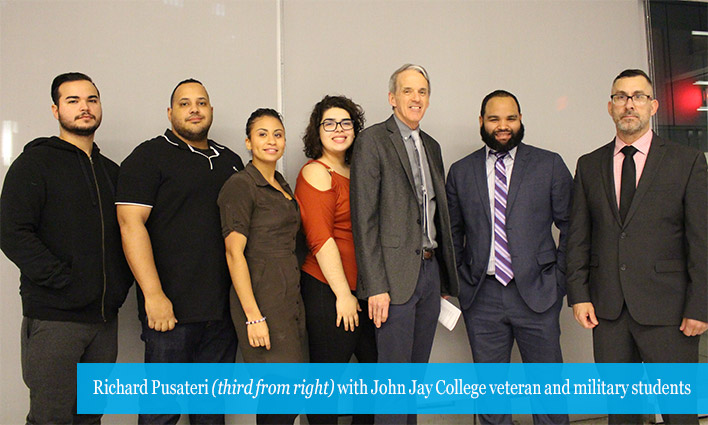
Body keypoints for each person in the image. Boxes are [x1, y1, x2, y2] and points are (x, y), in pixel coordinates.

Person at [567, 69, 707, 425]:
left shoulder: (686, 162)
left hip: (671, 312)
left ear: (653, 106)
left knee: (679, 415)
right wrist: (579, 294)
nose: (629, 104)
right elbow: (579, 236)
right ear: (610, 107)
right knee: (622, 415)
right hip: (609, 312)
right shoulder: (589, 165)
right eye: (621, 96)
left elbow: (701, 240)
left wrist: (701, 305)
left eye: (638, 96)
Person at [0, 72, 133, 424]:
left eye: (91, 99)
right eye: (72, 101)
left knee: (90, 418)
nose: (84, 107)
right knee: (50, 418)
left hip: (104, 320)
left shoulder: (112, 172)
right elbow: (12, 231)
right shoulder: (34, 164)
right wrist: (64, 281)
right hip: (55, 318)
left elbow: (129, 235)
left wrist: (119, 288)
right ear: (56, 110)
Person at [116, 78, 243, 425]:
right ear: (170, 112)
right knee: (161, 414)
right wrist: (153, 295)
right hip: (170, 312)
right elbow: (130, 226)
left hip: (221, 312)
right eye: (185, 103)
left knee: (211, 414)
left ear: (211, 110)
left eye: (201, 102)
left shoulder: (231, 161)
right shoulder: (148, 156)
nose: (194, 109)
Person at [446, 90, 572, 425]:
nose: (503, 126)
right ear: (481, 122)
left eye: (511, 118)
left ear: (520, 120)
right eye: (494, 118)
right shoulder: (461, 172)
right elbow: (452, 231)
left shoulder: (549, 164)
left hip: (538, 293)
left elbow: (573, 226)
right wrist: (461, 276)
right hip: (482, 296)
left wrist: (558, 279)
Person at [350, 64, 459, 425]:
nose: (416, 98)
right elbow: (363, 218)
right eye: (408, 91)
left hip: (429, 275)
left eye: (423, 92)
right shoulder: (373, 140)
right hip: (392, 280)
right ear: (392, 98)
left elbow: (436, 214)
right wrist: (375, 285)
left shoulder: (432, 146)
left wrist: (442, 278)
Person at [218, 108, 305, 425]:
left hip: (289, 298)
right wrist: (254, 317)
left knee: (287, 396)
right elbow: (233, 253)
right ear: (248, 142)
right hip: (261, 300)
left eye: (278, 134)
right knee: (281, 400)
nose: (272, 140)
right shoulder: (241, 185)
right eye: (262, 134)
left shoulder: (281, 184)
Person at [295, 95, 377, 425]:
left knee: (376, 378)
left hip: (366, 290)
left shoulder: (357, 171)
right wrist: (343, 295)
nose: (338, 129)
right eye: (329, 123)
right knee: (326, 383)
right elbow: (320, 239)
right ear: (318, 131)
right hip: (328, 290)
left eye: (346, 123)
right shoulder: (315, 172)